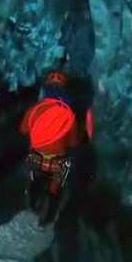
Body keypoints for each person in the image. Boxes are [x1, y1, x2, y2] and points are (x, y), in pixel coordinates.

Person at [19, 69, 94, 226]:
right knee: (57, 186)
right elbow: (73, 143)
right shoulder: (69, 115)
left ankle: (32, 204)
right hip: (59, 161)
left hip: (36, 156)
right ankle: (48, 216)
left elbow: (24, 130)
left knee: (33, 177)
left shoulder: (34, 110)